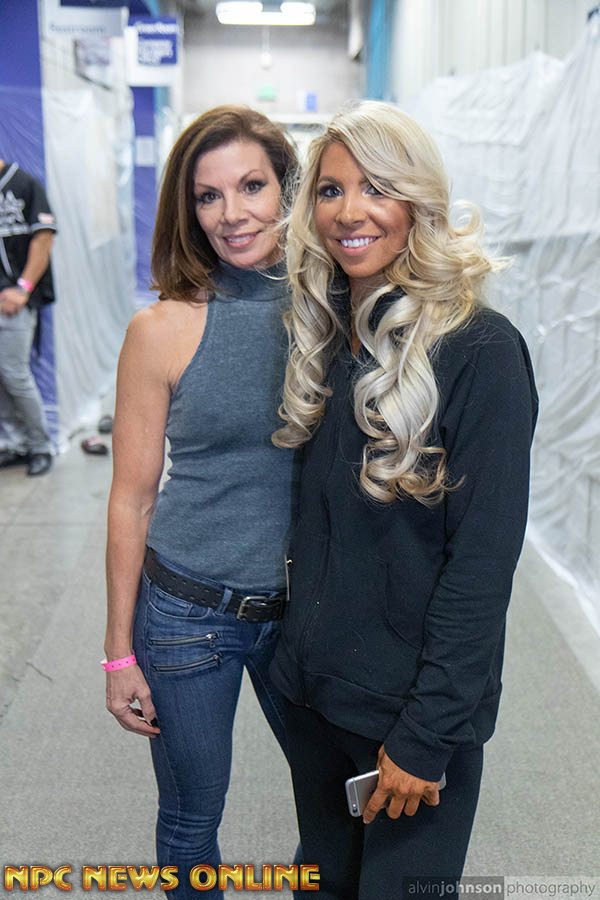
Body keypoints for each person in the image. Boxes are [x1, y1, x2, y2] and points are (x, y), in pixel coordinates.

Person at [271, 101, 538, 899]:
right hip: (317, 704)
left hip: (409, 720)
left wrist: (426, 737)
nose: (349, 211)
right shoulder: (329, 336)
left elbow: (481, 566)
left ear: (420, 202)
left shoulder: (481, 350)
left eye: (378, 187)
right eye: (330, 190)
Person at [104, 107, 299, 899]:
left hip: (308, 609)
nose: (232, 213)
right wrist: (118, 652)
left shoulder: (334, 308)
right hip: (189, 613)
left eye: (252, 186)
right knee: (192, 822)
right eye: (208, 196)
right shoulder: (161, 328)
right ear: (188, 210)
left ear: (288, 189)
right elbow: (130, 500)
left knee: (339, 807)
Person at [0, 160, 55, 476]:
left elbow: (44, 237)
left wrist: (23, 288)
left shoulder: (24, 183)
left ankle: (40, 446)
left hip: (16, 301)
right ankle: (15, 443)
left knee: (14, 374)